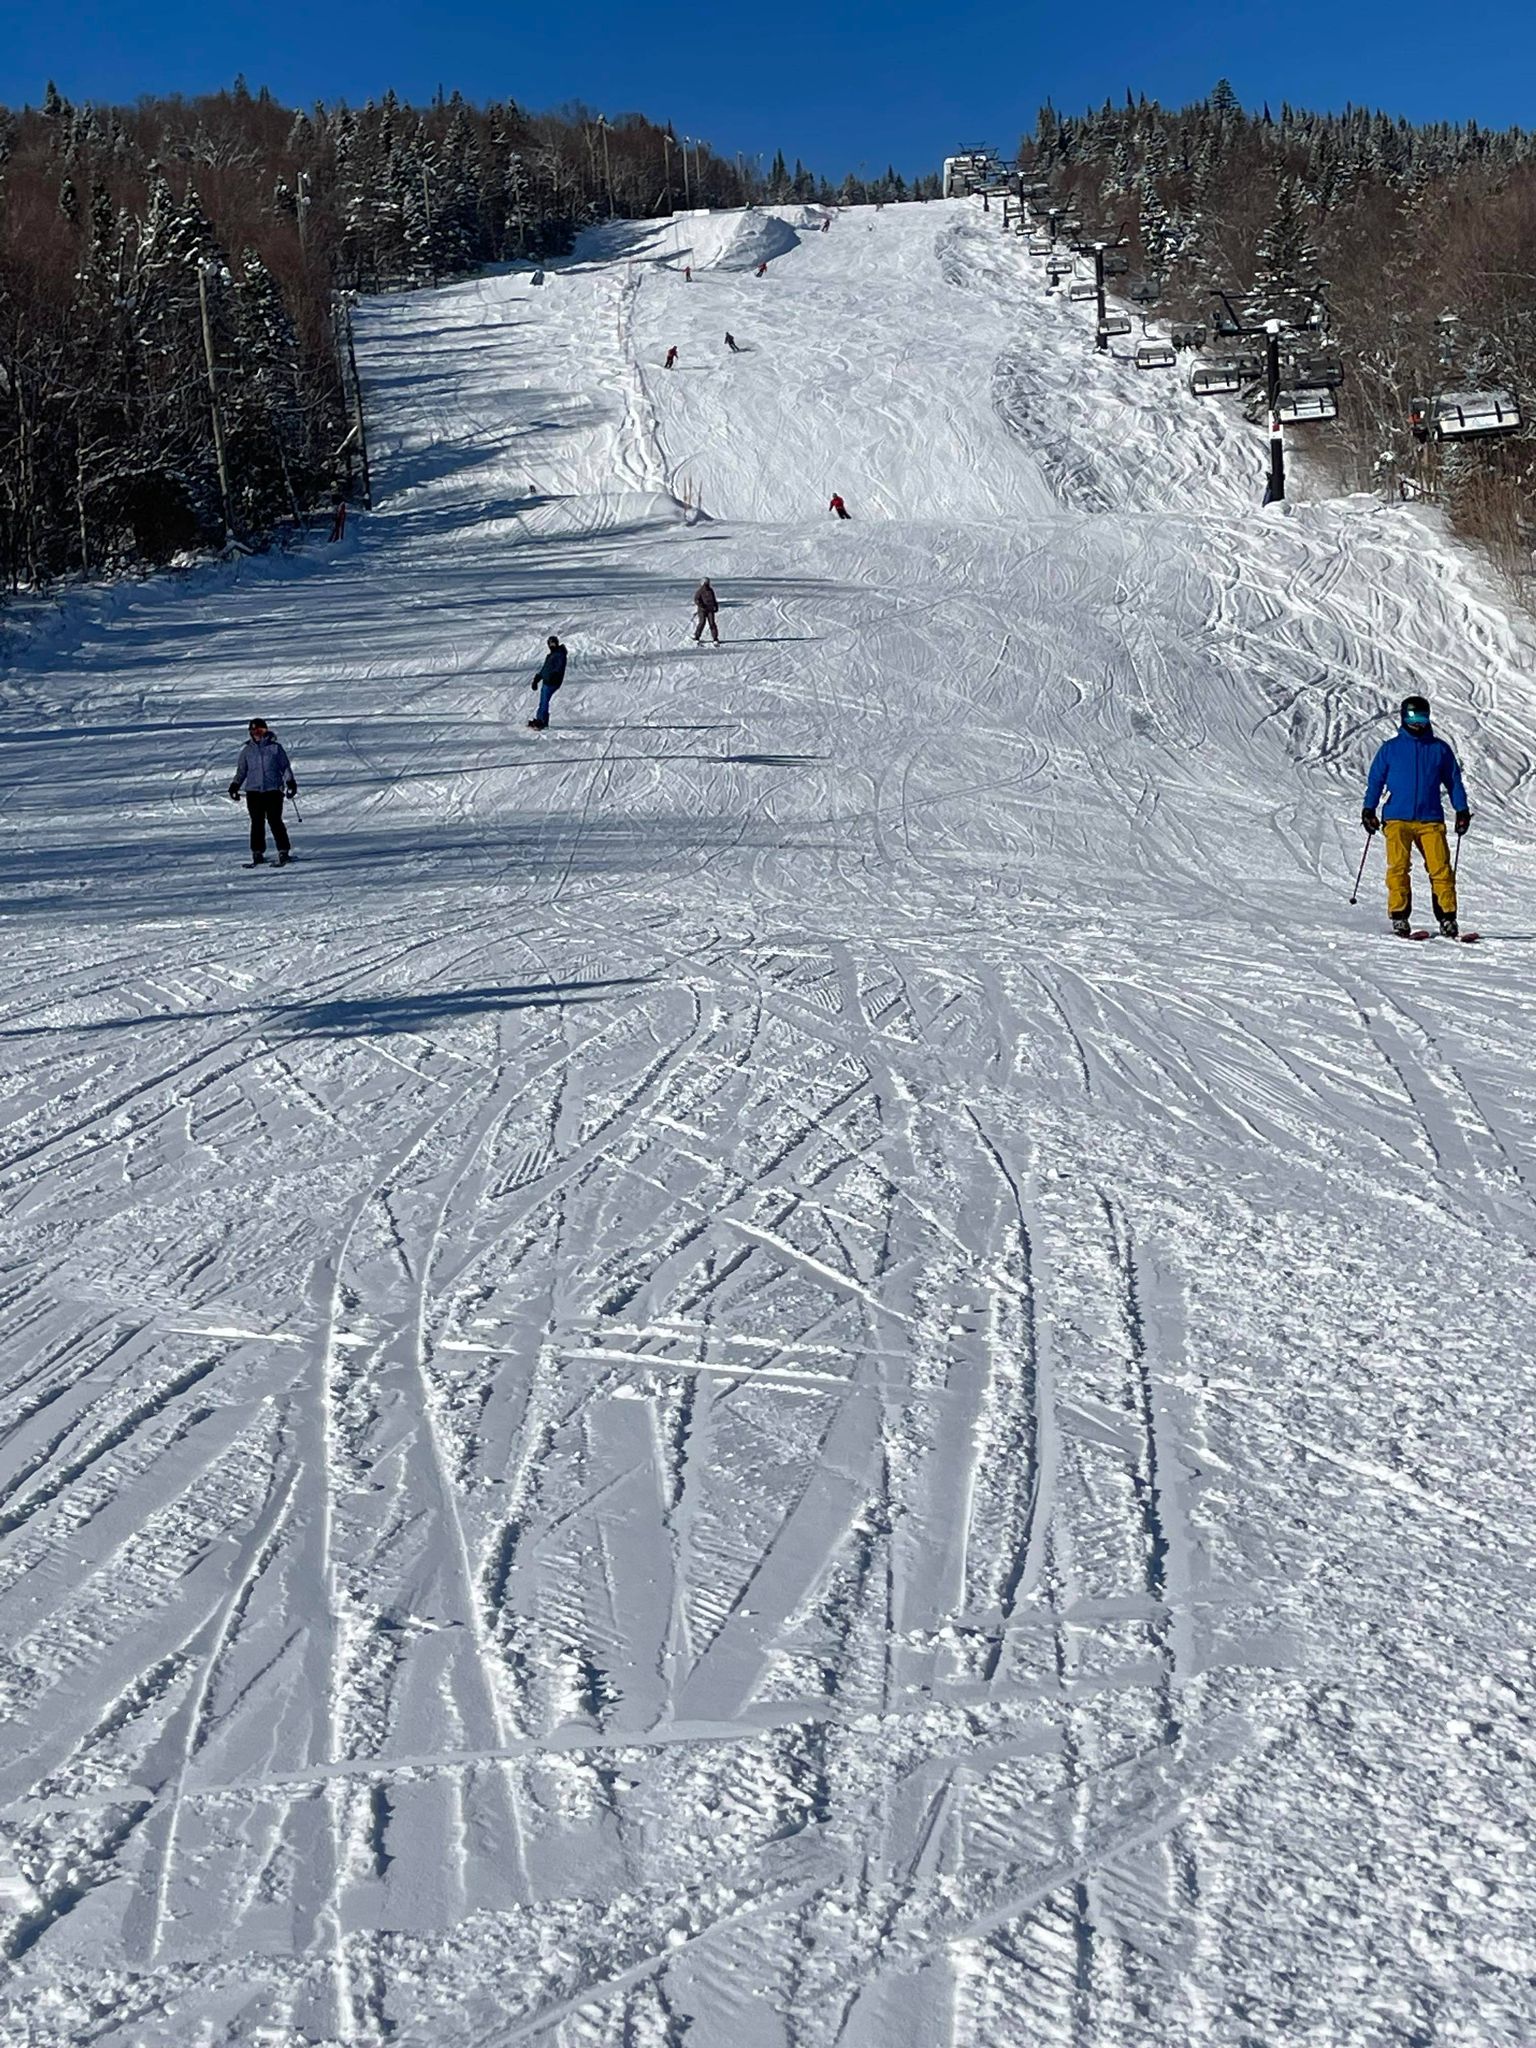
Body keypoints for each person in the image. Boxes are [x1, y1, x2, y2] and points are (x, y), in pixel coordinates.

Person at [1362, 693, 1471, 937]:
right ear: (1403, 717)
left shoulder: (1439, 749)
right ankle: (1399, 917)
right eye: (1413, 716)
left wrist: (1461, 809)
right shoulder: (1390, 749)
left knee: (1441, 868)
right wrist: (1368, 810)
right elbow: (1375, 781)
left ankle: (1447, 918)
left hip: (1430, 819)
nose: (1418, 722)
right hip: (1397, 819)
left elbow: (1453, 781)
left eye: (1422, 716)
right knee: (1398, 867)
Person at [228, 718, 297, 867]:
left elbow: (284, 767)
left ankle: (283, 850)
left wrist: (290, 782)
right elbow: (242, 771)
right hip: (254, 791)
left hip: (273, 790)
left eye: (260, 731)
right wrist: (235, 785)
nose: (257, 734)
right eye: (254, 731)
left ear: (266, 731)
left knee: (274, 819)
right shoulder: (247, 751)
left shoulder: (275, 748)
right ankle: (257, 852)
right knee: (257, 822)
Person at [529, 634, 568, 729]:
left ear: (557, 643)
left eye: (553, 644)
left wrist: (555, 675)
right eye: (550, 644)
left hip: (553, 681)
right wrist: (537, 678)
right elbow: (545, 669)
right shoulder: (551, 655)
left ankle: (542, 721)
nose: (552, 646)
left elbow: (560, 666)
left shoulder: (560, 654)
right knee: (543, 700)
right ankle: (540, 719)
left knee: (544, 700)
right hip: (547, 680)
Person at [693, 578, 720, 644]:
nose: (707, 584)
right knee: (702, 622)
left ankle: (715, 638)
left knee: (712, 623)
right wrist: (701, 605)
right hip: (702, 610)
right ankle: (697, 636)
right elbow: (696, 599)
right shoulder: (700, 591)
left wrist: (716, 606)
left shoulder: (710, 590)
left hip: (710, 609)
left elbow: (714, 599)